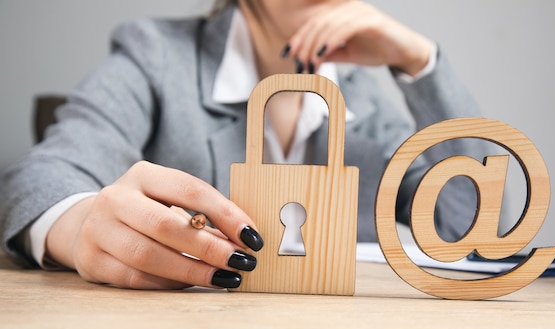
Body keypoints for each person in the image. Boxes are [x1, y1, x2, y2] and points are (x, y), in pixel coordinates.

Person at [0, 0, 486, 290]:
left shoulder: (358, 96)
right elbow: (41, 178)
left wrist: (420, 64)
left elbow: (469, 225)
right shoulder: (157, 57)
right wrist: (85, 224)